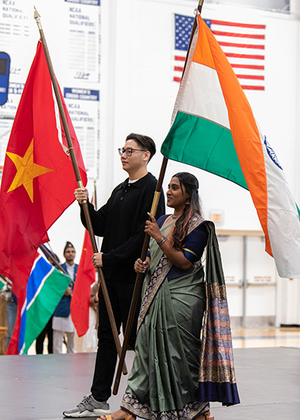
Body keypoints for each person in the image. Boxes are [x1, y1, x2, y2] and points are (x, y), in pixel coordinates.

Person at [99, 172, 239, 420]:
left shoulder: (199, 226)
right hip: (153, 295)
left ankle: (197, 409)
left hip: (182, 299)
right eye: (169, 187)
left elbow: (184, 262)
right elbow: (155, 258)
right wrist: (142, 264)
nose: (169, 191)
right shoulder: (162, 220)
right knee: (146, 349)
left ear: (188, 194)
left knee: (180, 355)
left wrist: (158, 236)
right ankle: (130, 408)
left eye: (175, 188)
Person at [63, 133, 165, 418]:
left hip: (134, 277)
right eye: (122, 149)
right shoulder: (121, 189)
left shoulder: (152, 189)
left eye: (130, 150)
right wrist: (85, 206)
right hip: (110, 277)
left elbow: (142, 237)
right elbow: (100, 224)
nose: (124, 154)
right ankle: (98, 397)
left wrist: (109, 258)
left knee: (135, 338)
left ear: (146, 155)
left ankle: (150, 396)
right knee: (107, 337)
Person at [52, 242, 78, 354]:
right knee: (57, 342)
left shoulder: (80, 269)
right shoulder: (58, 269)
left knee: (72, 343)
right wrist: (63, 292)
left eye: (72, 252)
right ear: (64, 254)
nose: (70, 254)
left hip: (75, 309)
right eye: (68, 252)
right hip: (61, 308)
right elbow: (53, 287)